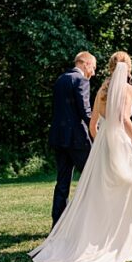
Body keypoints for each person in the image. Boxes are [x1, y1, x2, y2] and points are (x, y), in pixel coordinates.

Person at [30, 52, 132, 262]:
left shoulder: (99, 89)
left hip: (97, 142)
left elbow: (92, 123)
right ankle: (119, 235)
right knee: (126, 187)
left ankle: (68, 229)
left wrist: (100, 141)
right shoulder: (129, 89)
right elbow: (123, 118)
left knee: (89, 187)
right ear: (128, 68)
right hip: (117, 140)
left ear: (110, 68)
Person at [47, 52, 96, 226]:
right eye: (93, 68)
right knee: (93, 177)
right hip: (77, 140)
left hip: (59, 139)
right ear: (86, 64)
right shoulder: (81, 80)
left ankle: (58, 225)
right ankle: (90, 222)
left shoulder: (61, 79)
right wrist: (98, 129)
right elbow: (86, 112)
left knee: (62, 182)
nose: (94, 73)